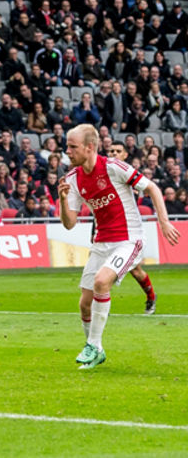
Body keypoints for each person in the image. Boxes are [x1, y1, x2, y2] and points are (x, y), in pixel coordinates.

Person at [58, 125, 180, 370]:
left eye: (72, 147)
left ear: (89, 147)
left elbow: (152, 188)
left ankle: (93, 345)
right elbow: (69, 224)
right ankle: (96, 351)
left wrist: (164, 222)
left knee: (101, 281)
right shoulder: (72, 178)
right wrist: (62, 201)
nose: (67, 152)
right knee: (84, 304)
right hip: (101, 242)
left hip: (129, 239)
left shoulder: (113, 167)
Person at [105, 142, 158, 314]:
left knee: (135, 271)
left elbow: (147, 189)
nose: (114, 153)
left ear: (125, 155)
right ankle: (100, 306)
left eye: (118, 151)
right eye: (111, 151)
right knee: (102, 270)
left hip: (127, 231)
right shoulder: (103, 173)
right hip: (106, 230)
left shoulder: (128, 174)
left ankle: (151, 297)